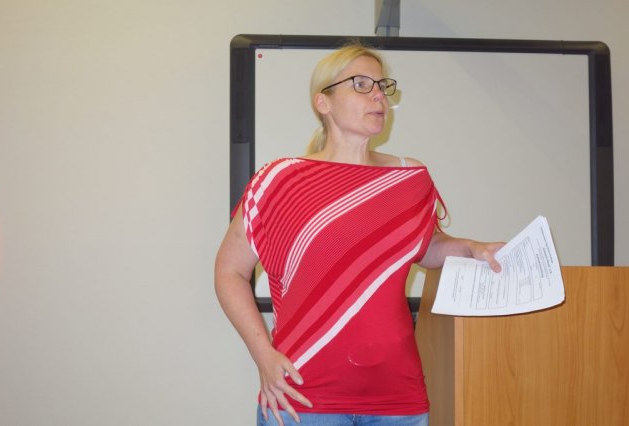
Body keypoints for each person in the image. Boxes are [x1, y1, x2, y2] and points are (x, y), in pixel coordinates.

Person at [215, 42, 504, 426]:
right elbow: (229, 272)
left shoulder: (410, 178)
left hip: (398, 399)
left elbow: (427, 247)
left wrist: (472, 248)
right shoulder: (279, 180)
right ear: (323, 102)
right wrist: (263, 356)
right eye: (362, 84)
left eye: (382, 86)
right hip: (303, 397)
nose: (378, 95)